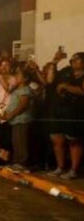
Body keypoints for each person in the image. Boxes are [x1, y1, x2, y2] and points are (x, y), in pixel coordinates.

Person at [47, 50, 84, 180]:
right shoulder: (66, 71)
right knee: (57, 139)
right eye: (72, 59)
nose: (73, 61)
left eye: (77, 59)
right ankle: (60, 167)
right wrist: (54, 62)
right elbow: (50, 80)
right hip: (58, 109)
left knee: (74, 140)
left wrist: (67, 87)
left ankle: (74, 169)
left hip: (74, 111)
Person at [1, 66, 35, 174]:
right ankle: (17, 162)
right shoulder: (17, 89)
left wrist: (11, 114)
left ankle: (23, 164)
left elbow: (22, 105)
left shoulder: (25, 89)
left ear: (25, 79)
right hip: (16, 120)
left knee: (21, 142)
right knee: (16, 142)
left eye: (19, 75)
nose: (16, 77)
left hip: (22, 119)